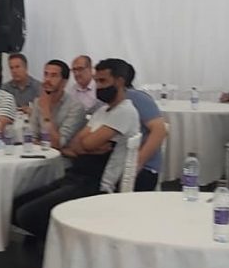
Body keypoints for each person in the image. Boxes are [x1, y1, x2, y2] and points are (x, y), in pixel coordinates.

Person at [12, 59, 140, 239]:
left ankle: (66, 242)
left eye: (103, 81)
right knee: (15, 206)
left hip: (96, 184)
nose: (98, 87)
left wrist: (87, 145)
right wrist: (90, 145)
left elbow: (83, 144)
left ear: (119, 82)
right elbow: (76, 145)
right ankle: (55, 239)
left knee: (27, 215)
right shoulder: (103, 111)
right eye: (97, 81)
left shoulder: (125, 111)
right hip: (76, 174)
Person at [120, 62, 169, 191]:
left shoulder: (137, 98)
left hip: (143, 168)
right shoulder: (107, 103)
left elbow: (160, 131)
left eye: (102, 80)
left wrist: (135, 165)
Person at [28, 60, 86, 154]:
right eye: (46, 74)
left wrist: (46, 112)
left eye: (53, 76)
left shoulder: (76, 107)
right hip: (38, 154)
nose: (47, 79)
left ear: (64, 82)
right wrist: (43, 144)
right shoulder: (38, 102)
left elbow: (57, 144)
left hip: (62, 159)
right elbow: (30, 138)